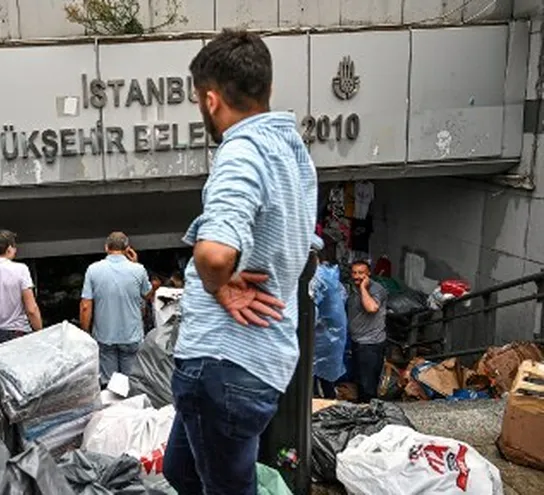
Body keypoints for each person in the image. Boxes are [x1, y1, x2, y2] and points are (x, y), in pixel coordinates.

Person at [162, 30, 318, 495]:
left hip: (222, 363)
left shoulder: (241, 153)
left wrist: (220, 284)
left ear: (211, 100)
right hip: (255, 363)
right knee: (181, 471)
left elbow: (215, 252)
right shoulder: (292, 151)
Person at [79, 232, 154, 387]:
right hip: (131, 335)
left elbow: (86, 306)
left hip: (105, 336)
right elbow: (148, 295)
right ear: (127, 248)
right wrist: (135, 263)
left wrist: (85, 332)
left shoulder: (93, 270)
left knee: (110, 384)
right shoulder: (138, 270)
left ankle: (114, 408)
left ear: (106, 247)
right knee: (130, 383)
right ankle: (130, 407)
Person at [347, 260, 389, 403]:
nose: (357, 276)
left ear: (368, 274)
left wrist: (364, 288)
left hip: (371, 343)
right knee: (359, 381)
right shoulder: (352, 289)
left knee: (368, 386)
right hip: (357, 341)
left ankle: (369, 412)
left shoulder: (375, 289)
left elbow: (371, 308)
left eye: (361, 273)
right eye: (354, 272)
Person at [311, 251, 348, 399]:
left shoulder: (317, 278)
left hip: (318, 335)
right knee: (326, 377)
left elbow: (311, 307)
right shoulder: (333, 279)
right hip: (333, 336)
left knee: (311, 375)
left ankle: (314, 407)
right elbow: (342, 299)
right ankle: (329, 402)